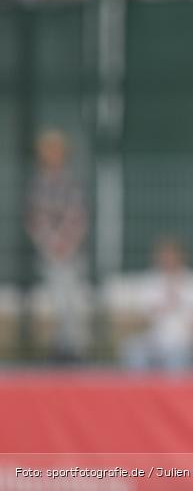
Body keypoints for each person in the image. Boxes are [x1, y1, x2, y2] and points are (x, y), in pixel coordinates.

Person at [25, 129, 90, 362]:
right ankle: (61, 348)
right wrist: (51, 242)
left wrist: (66, 242)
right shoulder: (38, 183)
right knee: (56, 301)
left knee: (72, 300)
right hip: (49, 254)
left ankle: (73, 349)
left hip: (71, 253)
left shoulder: (71, 181)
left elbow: (77, 216)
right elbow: (36, 218)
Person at [121, 237, 193, 372]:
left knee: (177, 355)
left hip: (183, 342)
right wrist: (158, 309)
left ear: (181, 257)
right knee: (133, 349)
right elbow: (138, 320)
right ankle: (139, 392)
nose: (168, 259)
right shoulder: (149, 281)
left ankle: (175, 393)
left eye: (172, 255)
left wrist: (180, 307)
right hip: (154, 341)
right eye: (164, 255)